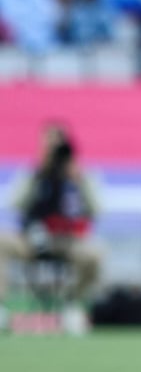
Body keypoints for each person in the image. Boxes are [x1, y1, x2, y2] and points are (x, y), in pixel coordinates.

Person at [0, 123, 102, 334]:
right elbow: (16, 204)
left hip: (68, 240)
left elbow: (96, 210)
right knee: (2, 242)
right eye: (49, 146)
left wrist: (79, 181)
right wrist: (37, 176)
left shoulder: (79, 175)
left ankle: (72, 303)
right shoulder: (33, 173)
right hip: (33, 238)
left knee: (94, 254)